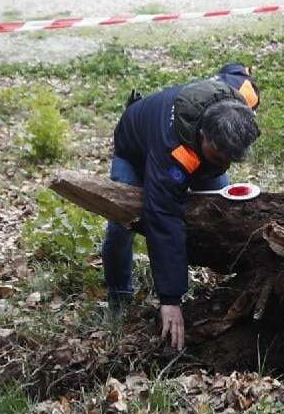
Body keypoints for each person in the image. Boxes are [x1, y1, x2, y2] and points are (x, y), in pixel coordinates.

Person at [100, 64, 262, 350]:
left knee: (222, 208)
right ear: (204, 137)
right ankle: (118, 294)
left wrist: (239, 68)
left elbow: (238, 72)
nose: (225, 163)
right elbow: (163, 219)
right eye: (219, 155)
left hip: (191, 150)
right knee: (121, 226)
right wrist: (170, 299)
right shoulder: (172, 150)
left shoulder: (241, 99)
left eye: (231, 158)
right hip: (134, 149)